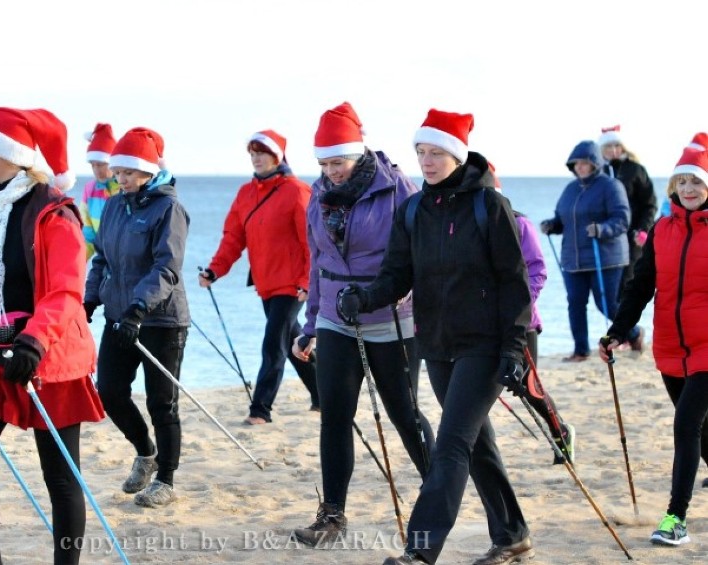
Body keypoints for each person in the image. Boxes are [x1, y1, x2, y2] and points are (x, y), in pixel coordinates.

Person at [339, 108, 533, 564]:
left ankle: (418, 552)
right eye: (421, 152)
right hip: (437, 345)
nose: (426, 161)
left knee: (450, 446)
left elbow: (514, 282)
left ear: (457, 154)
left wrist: (513, 347)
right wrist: (362, 299)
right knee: (476, 443)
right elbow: (395, 277)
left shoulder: (490, 207)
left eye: (436, 152)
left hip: (484, 346)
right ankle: (512, 535)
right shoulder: (413, 210)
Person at [0, 107, 105, 564]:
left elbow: (65, 292)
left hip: (48, 355)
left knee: (60, 476)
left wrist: (32, 342)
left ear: (12, 157)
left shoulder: (54, 214)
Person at [290, 102, 433, 548]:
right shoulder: (317, 194)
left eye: (339, 161)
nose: (331, 171)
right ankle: (332, 515)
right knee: (334, 414)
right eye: (324, 163)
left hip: (390, 317)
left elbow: (422, 250)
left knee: (403, 414)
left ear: (359, 153)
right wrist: (311, 324)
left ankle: (439, 492)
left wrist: (411, 288)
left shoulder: (397, 189)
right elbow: (319, 262)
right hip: (335, 317)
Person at [599, 147, 708, 547]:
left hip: (707, 348)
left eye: (697, 180)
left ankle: (675, 518)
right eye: (682, 180)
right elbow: (641, 286)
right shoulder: (663, 230)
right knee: (700, 427)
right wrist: (617, 331)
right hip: (670, 345)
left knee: (685, 426)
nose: (689, 187)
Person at [84, 126, 190, 508]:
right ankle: (146, 452)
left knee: (162, 402)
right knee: (109, 391)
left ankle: (166, 479)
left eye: (128, 172)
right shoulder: (114, 204)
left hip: (160, 319)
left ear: (147, 171)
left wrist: (139, 308)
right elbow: (102, 258)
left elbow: (167, 266)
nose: (120, 178)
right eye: (117, 171)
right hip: (119, 315)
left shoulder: (169, 208)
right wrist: (90, 300)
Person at [199, 129, 319, 425]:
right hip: (266, 283)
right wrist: (215, 270)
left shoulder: (296, 191)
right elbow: (233, 238)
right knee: (293, 343)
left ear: (277, 156)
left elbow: (312, 242)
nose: (256, 158)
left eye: (262, 153)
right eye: (252, 153)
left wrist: (308, 281)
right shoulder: (245, 194)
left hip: (292, 285)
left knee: (272, 344)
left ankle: (260, 410)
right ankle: (324, 395)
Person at [491, 165, 575, 465]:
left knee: (529, 388)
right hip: (483, 326)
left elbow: (537, 271)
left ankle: (560, 432)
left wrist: (517, 308)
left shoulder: (520, 224)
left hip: (521, 323)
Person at [540, 140, 642, 362]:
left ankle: (634, 332)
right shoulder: (570, 189)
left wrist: (601, 229)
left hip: (605, 257)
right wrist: (551, 225)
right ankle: (581, 350)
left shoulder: (611, 186)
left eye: (585, 163)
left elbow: (622, 219)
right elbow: (562, 219)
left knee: (605, 303)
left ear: (595, 163)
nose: (580, 167)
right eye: (576, 163)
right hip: (573, 259)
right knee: (575, 303)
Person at [598, 125, 657, 313]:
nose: (613, 150)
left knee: (627, 287)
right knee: (606, 293)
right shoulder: (598, 173)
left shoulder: (636, 170)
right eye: (608, 147)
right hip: (607, 240)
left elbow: (650, 203)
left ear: (624, 147)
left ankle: (624, 336)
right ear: (602, 150)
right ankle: (628, 333)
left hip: (633, 239)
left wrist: (643, 230)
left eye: (617, 145)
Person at [79, 122, 119, 260]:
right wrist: (74, 265)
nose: (97, 170)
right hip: (104, 263)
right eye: (93, 165)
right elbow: (88, 235)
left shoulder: (125, 189)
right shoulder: (89, 190)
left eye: (101, 164)